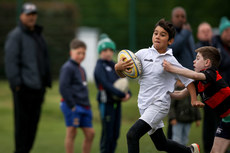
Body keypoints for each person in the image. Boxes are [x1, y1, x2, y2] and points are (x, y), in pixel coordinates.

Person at [115, 19, 202, 153]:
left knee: (132, 135)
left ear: (170, 41)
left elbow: (188, 80)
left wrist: (193, 99)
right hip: (144, 104)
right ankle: (189, 151)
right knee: (161, 144)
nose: (157, 36)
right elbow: (124, 74)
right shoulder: (142, 54)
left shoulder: (170, 60)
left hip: (159, 105)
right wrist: (118, 67)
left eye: (162, 34)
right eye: (156, 33)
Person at [163, 46, 230, 153]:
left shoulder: (211, 73)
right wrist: (162, 93)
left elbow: (194, 74)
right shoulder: (198, 83)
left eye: (198, 58)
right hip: (226, 122)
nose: (194, 61)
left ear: (207, 63)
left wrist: (172, 68)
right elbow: (180, 94)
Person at [4, 3, 52, 153]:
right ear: (21, 16)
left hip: (38, 89)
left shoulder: (38, 35)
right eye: (28, 14)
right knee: (22, 128)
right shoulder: (16, 36)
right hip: (24, 89)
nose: (31, 17)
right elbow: (11, 61)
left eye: (33, 14)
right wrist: (17, 84)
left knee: (32, 127)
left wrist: (45, 83)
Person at [94, 34, 131, 153]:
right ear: (100, 52)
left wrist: (128, 93)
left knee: (115, 134)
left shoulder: (114, 65)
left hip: (117, 104)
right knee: (107, 135)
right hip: (106, 103)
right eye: (105, 50)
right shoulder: (99, 66)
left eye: (110, 50)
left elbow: (122, 81)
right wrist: (122, 94)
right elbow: (106, 84)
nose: (108, 52)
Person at [59, 39, 95, 153]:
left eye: (83, 53)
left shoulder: (82, 69)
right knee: (72, 133)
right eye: (78, 53)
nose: (81, 55)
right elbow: (63, 88)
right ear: (71, 53)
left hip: (84, 106)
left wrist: (88, 105)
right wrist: (72, 105)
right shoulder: (67, 67)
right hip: (72, 106)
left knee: (90, 134)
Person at [195, 21, 220, 153]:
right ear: (198, 34)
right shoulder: (198, 49)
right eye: (203, 31)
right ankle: (208, 148)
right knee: (209, 123)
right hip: (207, 92)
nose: (206, 33)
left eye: (208, 30)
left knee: (221, 123)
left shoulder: (216, 47)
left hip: (220, 91)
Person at [168, 80, 201, 145]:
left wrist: (198, 118)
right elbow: (171, 106)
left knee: (185, 138)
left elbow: (195, 104)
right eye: (179, 81)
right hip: (178, 120)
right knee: (176, 138)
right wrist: (172, 118)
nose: (182, 83)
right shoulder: (174, 91)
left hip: (188, 119)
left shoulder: (190, 91)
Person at [212, 16, 230, 86]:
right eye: (226, 30)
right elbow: (220, 63)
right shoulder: (215, 45)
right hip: (222, 85)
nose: (229, 33)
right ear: (221, 33)